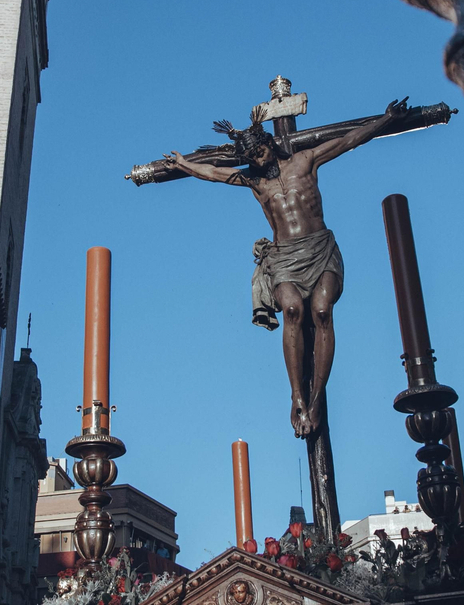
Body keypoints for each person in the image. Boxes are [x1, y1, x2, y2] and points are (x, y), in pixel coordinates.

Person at [165, 97, 409, 437]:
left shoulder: (305, 161)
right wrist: (183, 165)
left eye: (260, 152)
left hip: (319, 248)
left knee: (322, 311)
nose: (257, 160)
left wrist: (385, 120)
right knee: (292, 309)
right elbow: (214, 173)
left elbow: (347, 140)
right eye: (251, 158)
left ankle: (317, 396)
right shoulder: (254, 182)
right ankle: (296, 394)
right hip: (284, 258)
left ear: (269, 144)